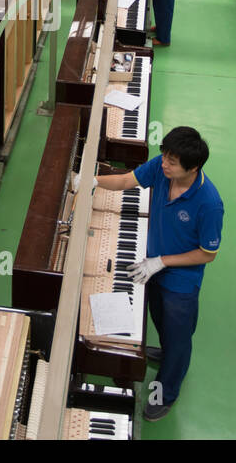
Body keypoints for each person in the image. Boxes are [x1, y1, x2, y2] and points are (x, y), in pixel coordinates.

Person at [94, 126, 224, 421]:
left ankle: (167, 392)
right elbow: (127, 180)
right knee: (158, 317)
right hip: (153, 266)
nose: (163, 163)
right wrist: (91, 180)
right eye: (164, 155)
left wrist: (162, 262)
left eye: (172, 161)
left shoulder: (209, 203)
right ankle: (165, 353)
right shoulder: (162, 168)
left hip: (181, 280)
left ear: (192, 168)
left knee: (178, 337)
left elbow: (208, 253)